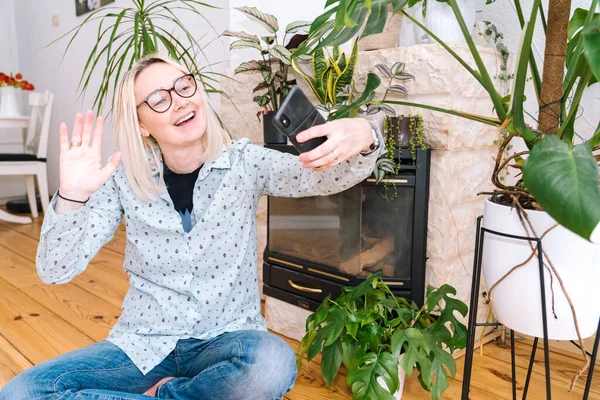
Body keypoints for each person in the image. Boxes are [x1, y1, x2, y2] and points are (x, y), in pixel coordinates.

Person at [0, 54, 384, 399]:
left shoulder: (244, 163)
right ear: (142, 125)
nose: (180, 100)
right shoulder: (124, 181)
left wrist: (367, 136)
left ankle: (168, 395)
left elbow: (325, 178)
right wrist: (71, 196)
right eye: (159, 99)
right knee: (22, 393)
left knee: (272, 364)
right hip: (145, 345)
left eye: (183, 86)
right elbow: (55, 269)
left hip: (228, 339)